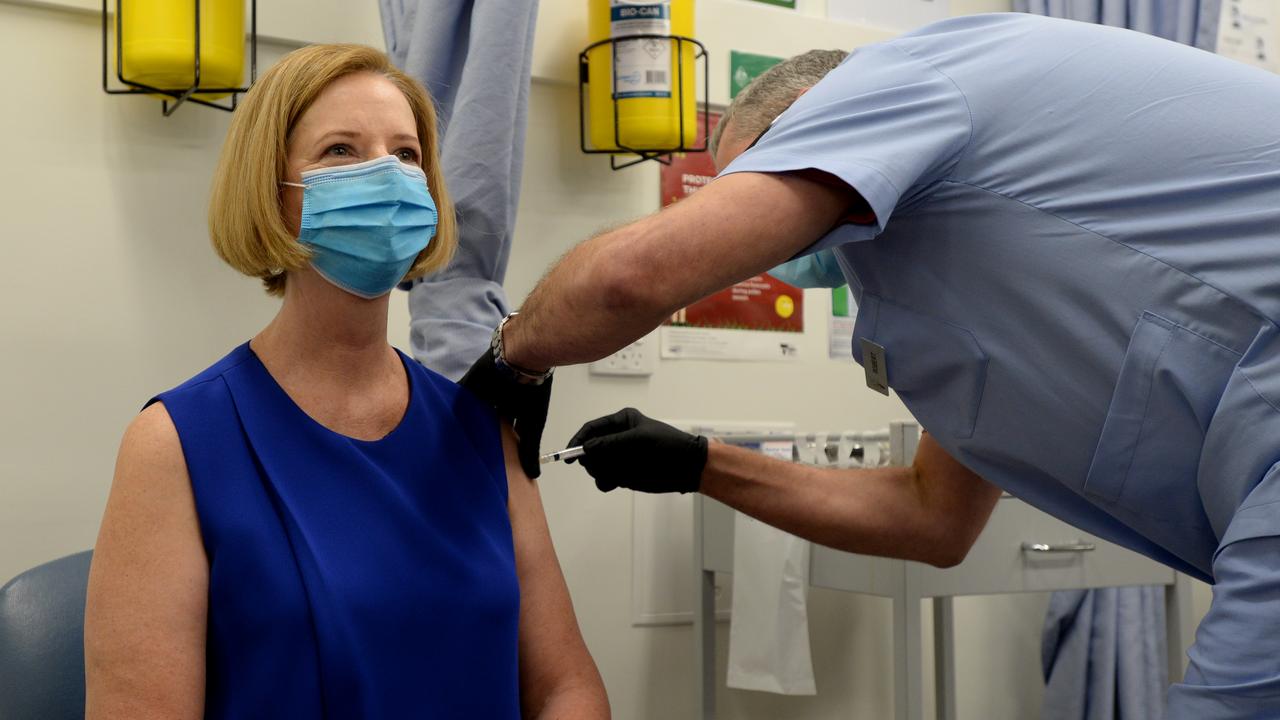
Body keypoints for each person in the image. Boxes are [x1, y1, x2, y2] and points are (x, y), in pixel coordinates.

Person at [459, 13, 1280, 717]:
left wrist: (509, 358)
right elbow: (932, 519)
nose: (776, 242)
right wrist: (698, 464)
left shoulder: (904, 74)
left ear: (815, 120)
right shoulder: (952, 273)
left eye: (747, 182)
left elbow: (629, 276)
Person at [83, 44, 609, 719]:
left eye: (407, 155)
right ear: (271, 189)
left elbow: (565, 686)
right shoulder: (177, 447)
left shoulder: (481, 431)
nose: (386, 177)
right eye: (340, 150)